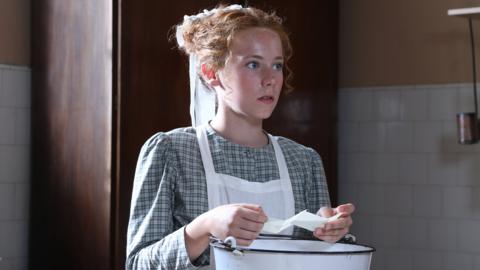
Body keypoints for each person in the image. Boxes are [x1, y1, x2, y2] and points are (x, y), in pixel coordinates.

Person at [126, 4, 354, 270]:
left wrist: (329, 235)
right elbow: (138, 264)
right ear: (211, 73)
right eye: (253, 64)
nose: (271, 79)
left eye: (277, 65)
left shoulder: (304, 162)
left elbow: (319, 263)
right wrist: (204, 227)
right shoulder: (171, 152)